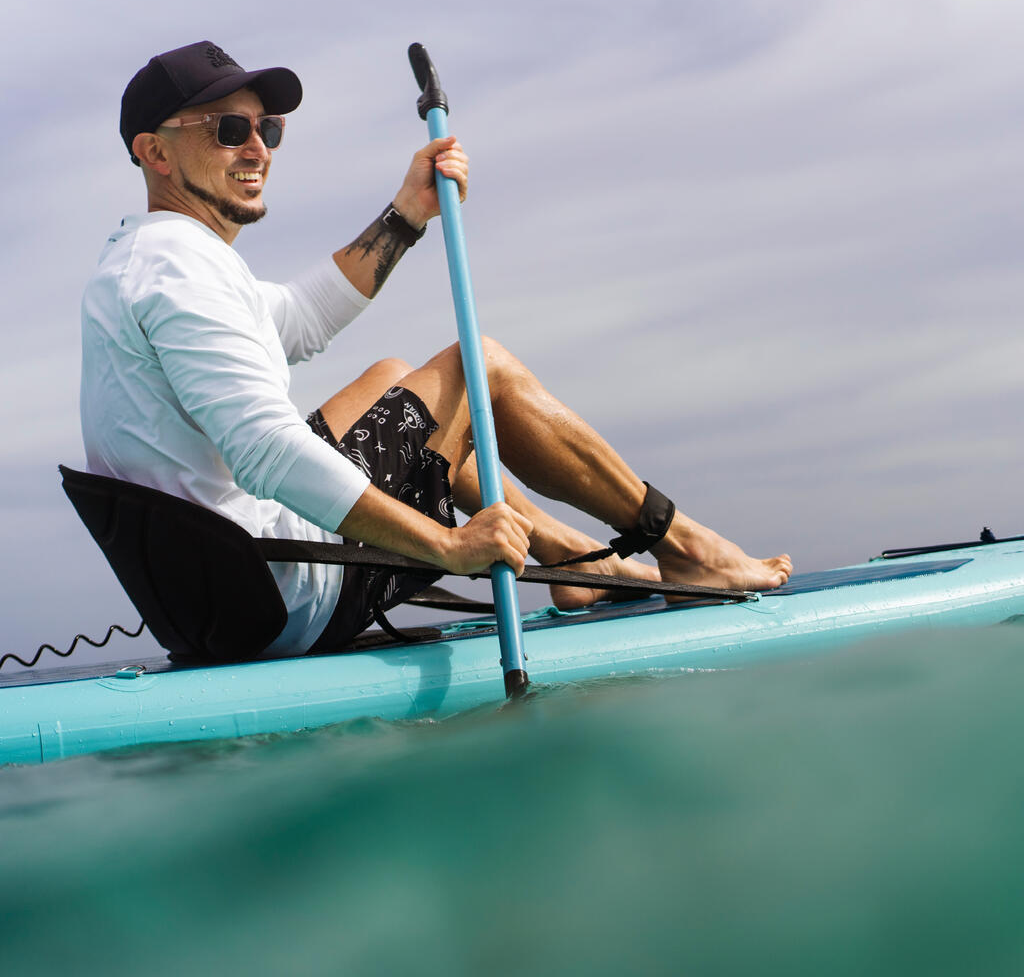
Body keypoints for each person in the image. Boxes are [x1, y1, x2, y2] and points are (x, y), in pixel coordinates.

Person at [80, 40, 791, 659]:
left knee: (396, 379)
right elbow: (263, 450)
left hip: (229, 599)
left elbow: (298, 318)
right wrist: (446, 547)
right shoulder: (177, 270)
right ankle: (685, 549)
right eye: (228, 129)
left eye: (267, 128)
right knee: (481, 367)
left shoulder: (158, 258)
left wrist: (407, 213)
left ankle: (573, 560)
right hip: (283, 595)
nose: (258, 148)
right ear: (155, 152)